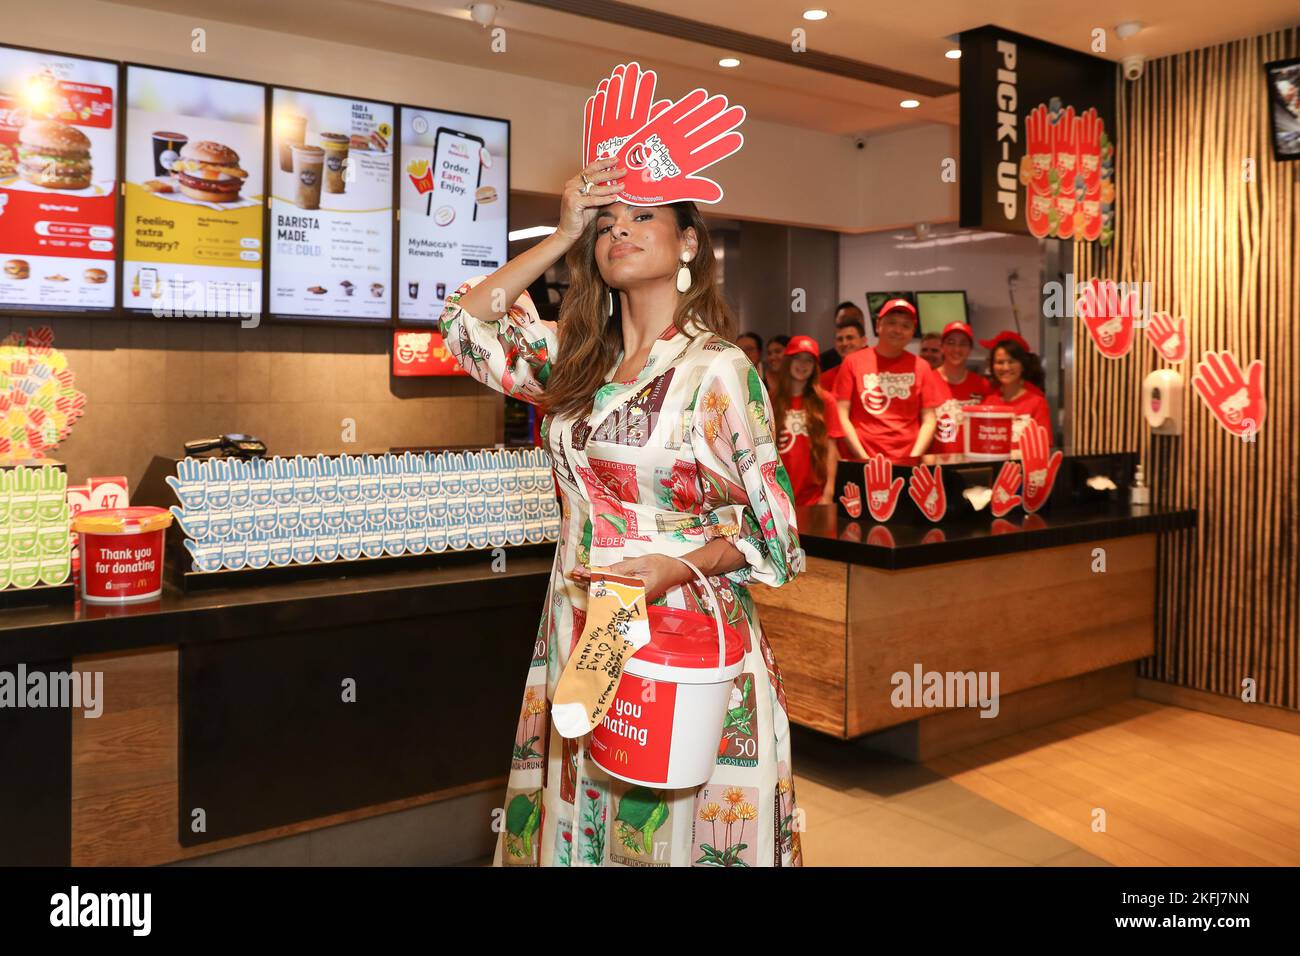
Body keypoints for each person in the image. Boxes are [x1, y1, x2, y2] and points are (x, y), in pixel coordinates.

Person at [440, 153, 804, 868]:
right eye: (606, 223)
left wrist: (678, 565)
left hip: (682, 635)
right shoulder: (575, 361)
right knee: (586, 821)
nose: (620, 232)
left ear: (689, 244)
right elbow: (463, 327)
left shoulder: (716, 370)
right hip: (583, 627)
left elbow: (778, 535)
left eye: (643, 218)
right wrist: (557, 234)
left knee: (680, 830)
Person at [833, 298, 944, 463]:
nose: (898, 330)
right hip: (862, 461)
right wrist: (863, 458)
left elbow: (929, 418)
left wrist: (913, 457)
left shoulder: (922, 367)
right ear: (879, 325)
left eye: (906, 326)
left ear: (912, 331)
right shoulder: (853, 362)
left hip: (908, 463)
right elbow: (840, 414)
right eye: (892, 323)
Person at [770, 335, 843, 505]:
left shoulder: (826, 401)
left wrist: (828, 493)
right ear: (788, 361)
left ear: (815, 366)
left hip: (814, 497)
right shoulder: (771, 399)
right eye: (797, 358)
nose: (802, 365)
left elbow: (832, 451)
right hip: (779, 497)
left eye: (808, 360)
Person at [981, 331, 1052, 452]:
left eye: (1011, 361)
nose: (1006, 368)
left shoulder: (1037, 403)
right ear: (992, 366)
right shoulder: (988, 403)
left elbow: (1044, 446)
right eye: (1000, 362)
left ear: (1022, 365)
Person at [928, 321, 992, 457]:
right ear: (942, 347)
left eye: (963, 344)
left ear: (970, 349)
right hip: (937, 464)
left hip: (975, 461)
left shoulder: (982, 385)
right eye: (951, 342)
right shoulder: (927, 381)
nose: (957, 349)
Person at [818, 312, 866, 395]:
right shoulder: (825, 379)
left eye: (850, 338)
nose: (844, 343)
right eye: (840, 339)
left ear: (863, 341)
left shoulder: (875, 373)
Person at [819, 301, 866, 372]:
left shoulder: (874, 358)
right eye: (844, 319)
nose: (845, 343)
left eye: (854, 319)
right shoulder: (823, 361)